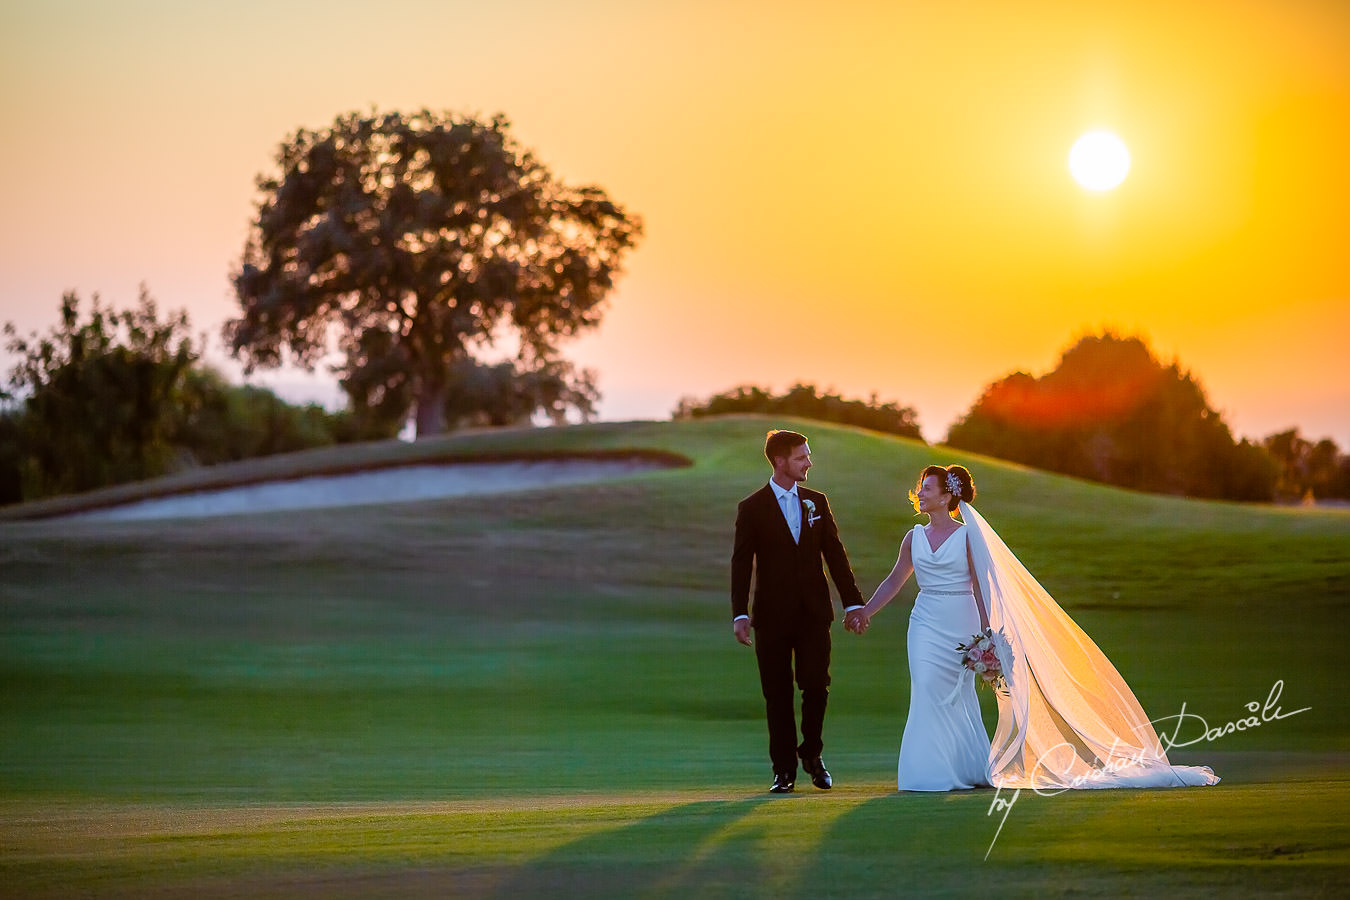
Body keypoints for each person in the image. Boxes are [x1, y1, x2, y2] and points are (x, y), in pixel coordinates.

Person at [846, 465, 1219, 792]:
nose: (920, 493)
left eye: (928, 487)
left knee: (959, 696)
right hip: (924, 622)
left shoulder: (966, 536)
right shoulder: (912, 537)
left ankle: (966, 769)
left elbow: (980, 588)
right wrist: (866, 610)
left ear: (947, 496)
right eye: (920, 487)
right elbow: (895, 581)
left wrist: (988, 636)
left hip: (961, 620)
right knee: (926, 688)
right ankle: (927, 773)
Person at [731, 430, 865, 793]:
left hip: (813, 613)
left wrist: (853, 602)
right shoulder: (752, 508)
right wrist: (739, 613)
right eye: (801, 457)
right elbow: (742, 564)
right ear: (779, 461)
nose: (809, 462)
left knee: (816, 686)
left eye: (807, 455)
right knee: (776, 694)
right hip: (771, 617)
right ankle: (783, 770)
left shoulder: (816, 502)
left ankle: (812, 754)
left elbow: (835, 555)